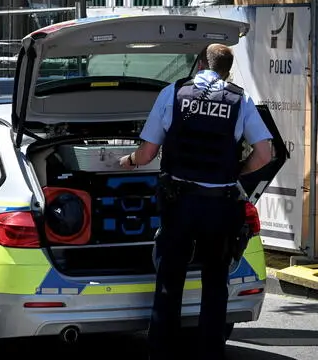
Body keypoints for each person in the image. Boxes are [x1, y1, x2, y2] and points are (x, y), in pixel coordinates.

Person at [117, 44, 273, 360]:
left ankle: (161, 351)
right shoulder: (239, 99)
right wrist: (236, 171)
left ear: (199, 63)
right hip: (221, 205)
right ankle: (210, 352)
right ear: (227, 70)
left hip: (180, 203)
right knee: (215, 280)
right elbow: (265, 154)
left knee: (169, 279)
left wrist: (129, 160)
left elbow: (147, 153)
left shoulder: (172, 93)